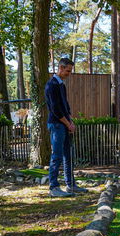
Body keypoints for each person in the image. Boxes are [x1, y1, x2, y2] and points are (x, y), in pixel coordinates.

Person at [45, 58, 87, 197]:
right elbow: (56, 109)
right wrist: (67, 123)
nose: (69, 73)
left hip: (64, 124)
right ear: (61, 68)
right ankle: (54, 187)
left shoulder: (61, 85)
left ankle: (71, 185)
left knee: (68, 155)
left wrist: (71, 122)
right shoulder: (51, 85)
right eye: (68, 70)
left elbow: (65, 106)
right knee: (56, 156)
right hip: (56, 124)